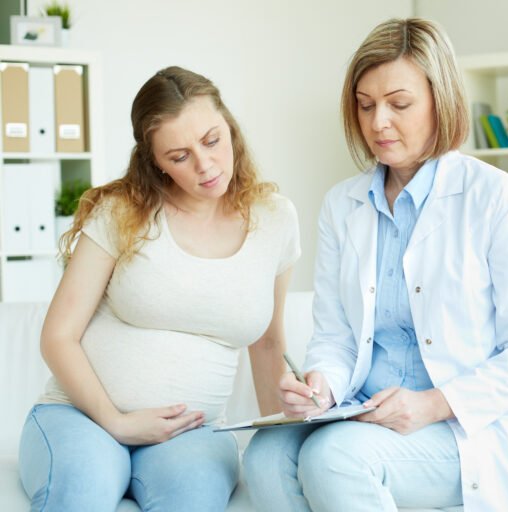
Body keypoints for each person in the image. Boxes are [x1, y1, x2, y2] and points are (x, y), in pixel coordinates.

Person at [243, 17, 508, 512]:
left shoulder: (495, 197)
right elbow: (337, 337)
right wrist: (320, 386)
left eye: (399, 104)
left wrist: (431, 404)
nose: (377, 123)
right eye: (365, 106)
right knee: (263, 458)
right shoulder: (341, 205)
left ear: (441, 99)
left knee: (334, 458)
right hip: (363, 415)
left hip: (462, 429)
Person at [17, 66, 300, 511]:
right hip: (80, 418)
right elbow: (58, 335)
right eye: (179, 156)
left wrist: (281, 440)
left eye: (212, 140)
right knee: (82, 491)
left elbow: (267, 344)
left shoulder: (275, 218)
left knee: (192, 498)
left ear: (230, 127)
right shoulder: (122, 211)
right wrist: (116, 422)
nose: (206, 165)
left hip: (190, 435)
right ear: (154, 162)